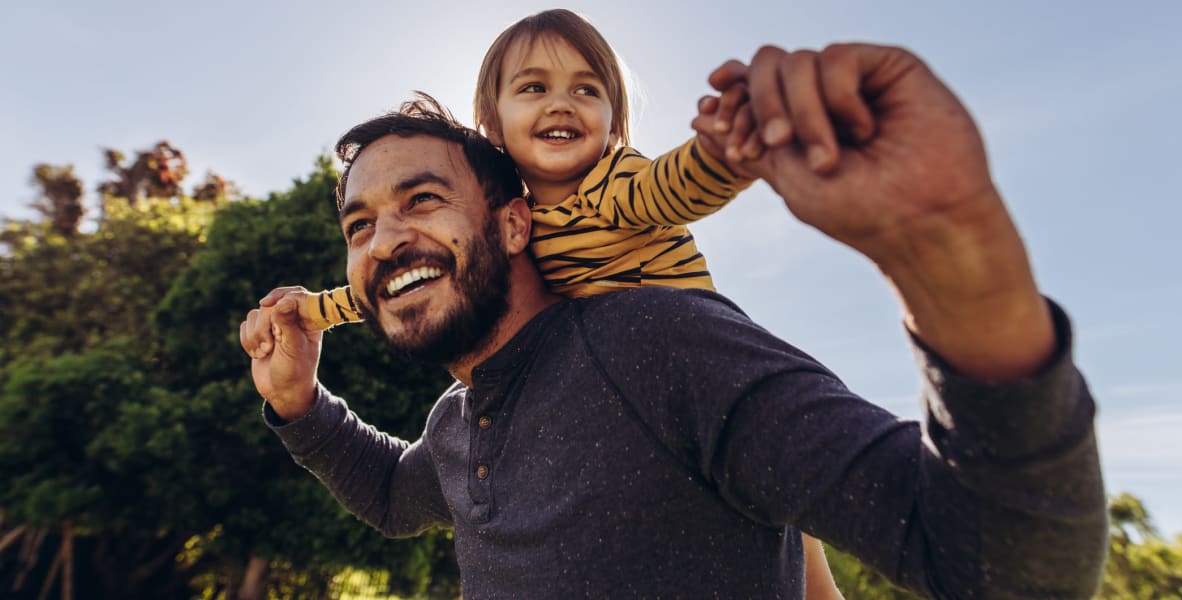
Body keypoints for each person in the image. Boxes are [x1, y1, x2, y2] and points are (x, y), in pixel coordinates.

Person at [241, 42, 1108, 597]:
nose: (386, 241)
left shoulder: (656, 342)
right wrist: (299, 403)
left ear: (513, 223)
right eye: (360, 227)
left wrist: (956, 258)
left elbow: (1004, 565)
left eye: (421, 200)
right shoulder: (459, 421)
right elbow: (396, 497)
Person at [298, 8, 755, 327]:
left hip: (701, 350)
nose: (561, 104)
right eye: (535, 88)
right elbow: (411, 274)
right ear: (492, 123)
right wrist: (314, 311)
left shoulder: (615, 180)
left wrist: (723, 153)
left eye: (587, 91)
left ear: (613, 127)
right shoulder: (517, 226)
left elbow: (673, 188)